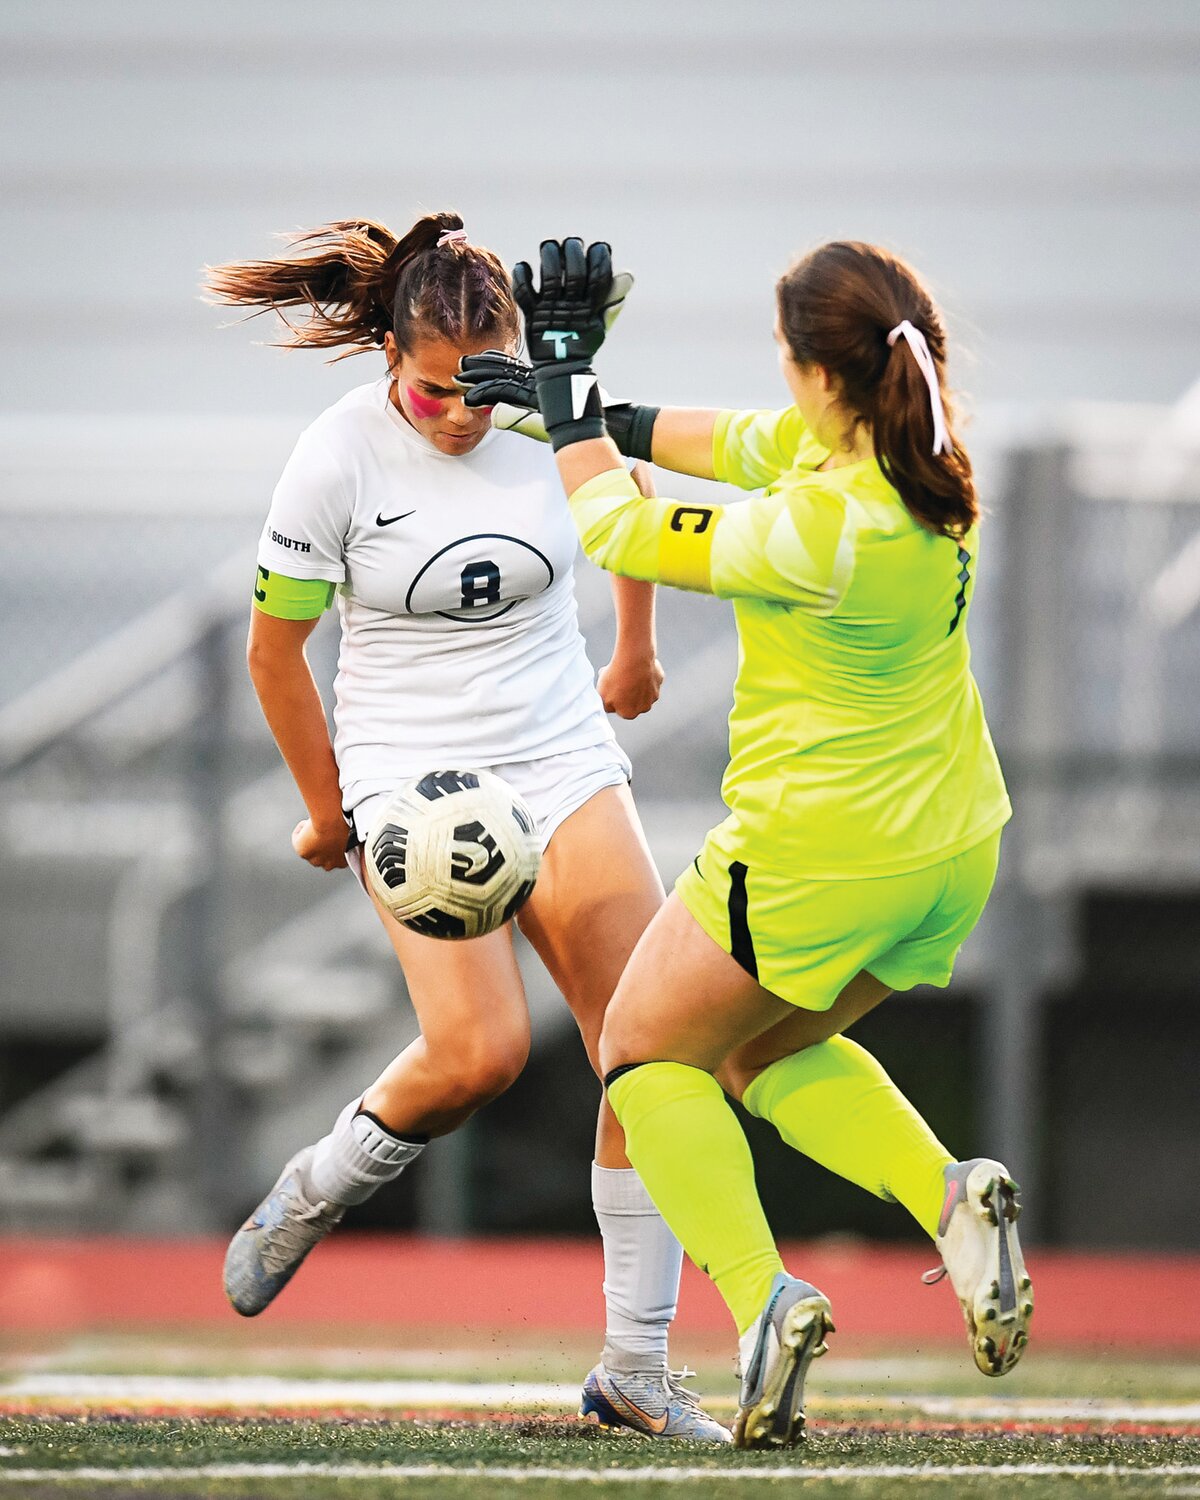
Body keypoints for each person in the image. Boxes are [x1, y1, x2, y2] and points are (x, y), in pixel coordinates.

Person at [458, 237, 1033, 1449]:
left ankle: (764, 1300)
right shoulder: (905, 455)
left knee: (642, 1059)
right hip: (948, 848)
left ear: (820, 372)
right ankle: (949, 1198)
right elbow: (691, 440)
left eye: (784, 358)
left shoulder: (821, 525)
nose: (776, 381)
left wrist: (567, 407)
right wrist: (553, 401)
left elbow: (617, 528)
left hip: (819, 856)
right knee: (754, 1059)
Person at [202, 212, 729, 1444]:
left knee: (650, 1051)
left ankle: (634, 1369)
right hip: (411, 778)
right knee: (480, 1054)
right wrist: (330, 811)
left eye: (483, 392)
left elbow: (630, 494)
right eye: (438, 392)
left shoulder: (535, 407)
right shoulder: (335, 457)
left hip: (559, 754)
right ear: (391, 353)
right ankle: (316, 1187)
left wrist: (635, 652)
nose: (464, 416)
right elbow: (274, 654)